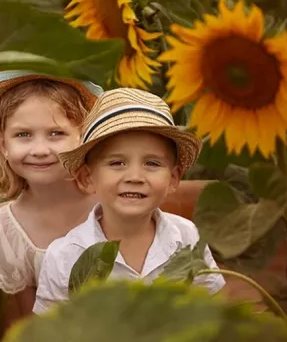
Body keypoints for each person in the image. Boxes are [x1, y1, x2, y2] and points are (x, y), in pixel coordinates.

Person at [0, 70, 214, 319]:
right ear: (2, 144)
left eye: (56, 133)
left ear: (84, 136)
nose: (40, 149)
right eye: (23, 135)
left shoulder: (120, 195)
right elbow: (26, 322)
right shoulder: (8, 229)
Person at [33, 88, 226, 314]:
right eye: (117, 163)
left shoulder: (186, 236)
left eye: (152, 164)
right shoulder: (65, 256)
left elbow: (213, 307)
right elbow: (49, 330)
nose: (135, 177)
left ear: (173, 179)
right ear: (87, 178)